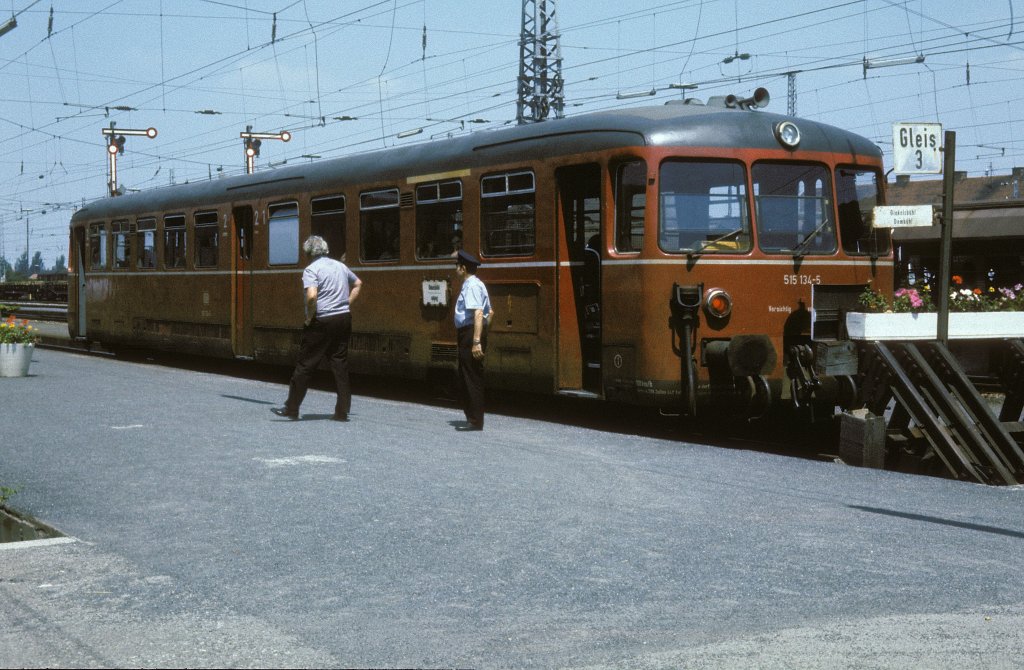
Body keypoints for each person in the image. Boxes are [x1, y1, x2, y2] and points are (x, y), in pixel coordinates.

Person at [272, 235, 362, 421]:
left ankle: (291, 408)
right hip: (343, 318)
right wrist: (346, 303)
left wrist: (309, 317)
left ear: (308, 253)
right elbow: (358, 283)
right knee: (339, 363)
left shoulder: (311, 269)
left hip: (322, 320)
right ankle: (342, 411)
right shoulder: (340, 266)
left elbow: (312, 296)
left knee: (306, 364)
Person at [453, 249, 492, 430]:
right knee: (468, 375)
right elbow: (490, 313)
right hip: (471, 332)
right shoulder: (477, 284)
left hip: (469, 334)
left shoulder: (472, 286)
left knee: (471, 377)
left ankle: (475, 421)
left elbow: (478, 313)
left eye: (457, 266)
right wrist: (483, 334)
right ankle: (473, 418)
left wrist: (476, 341)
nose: (455, 269)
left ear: (463, 268)